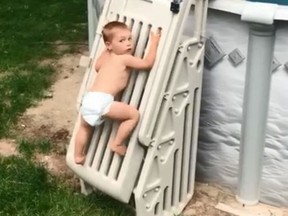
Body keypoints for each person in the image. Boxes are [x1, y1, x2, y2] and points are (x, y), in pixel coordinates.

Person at [74, 21, 161, 165]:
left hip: (89, 98)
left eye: (129, 39)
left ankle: (78, 155)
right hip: (103, 101)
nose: (128, 44)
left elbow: (97, 67)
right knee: (133, 115)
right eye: (122, 40)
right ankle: (117, 143)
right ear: (109, 45)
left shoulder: (108, 56)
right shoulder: (125, 58)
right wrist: (154, 43)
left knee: (84, 128)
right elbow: (147, 64)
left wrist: (108, 48)